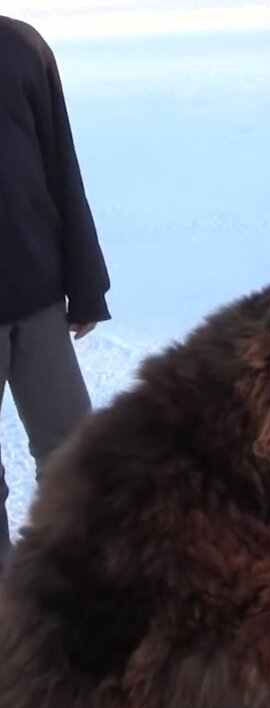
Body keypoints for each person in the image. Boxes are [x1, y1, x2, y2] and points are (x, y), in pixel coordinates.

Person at [0, 15, 111, 574]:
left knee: (75, 455)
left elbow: (59, 164)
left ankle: (77, 587)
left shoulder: (20, 45)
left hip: (35, 293)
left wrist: (85, 283)